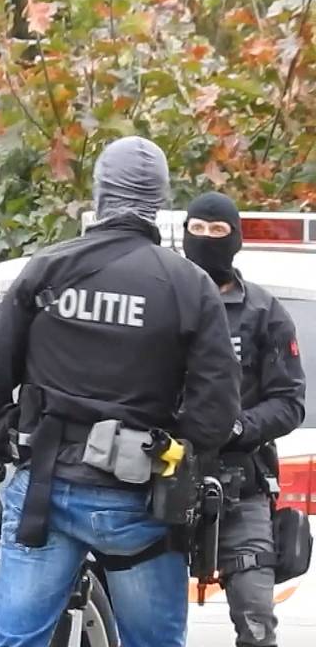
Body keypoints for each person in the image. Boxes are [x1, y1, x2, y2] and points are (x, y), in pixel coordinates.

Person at [0, 136, 242, 647]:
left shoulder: (45, 269)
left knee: (17, 641)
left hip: (45, 490)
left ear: (100, 191)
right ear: (161, 200)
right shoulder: (189, 285)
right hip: (141, 500)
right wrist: (174, 449)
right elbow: (216, 416)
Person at [182, 192, 306, 647]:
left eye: (218, 231)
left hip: (241, 487)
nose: (208, 239)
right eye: (198, 229)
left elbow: (290, 401)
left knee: (256, 621)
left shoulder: (263, 313)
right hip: (158, 483)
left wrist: (236, 428)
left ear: (235, 239)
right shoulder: (163, 299)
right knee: (147, 619)